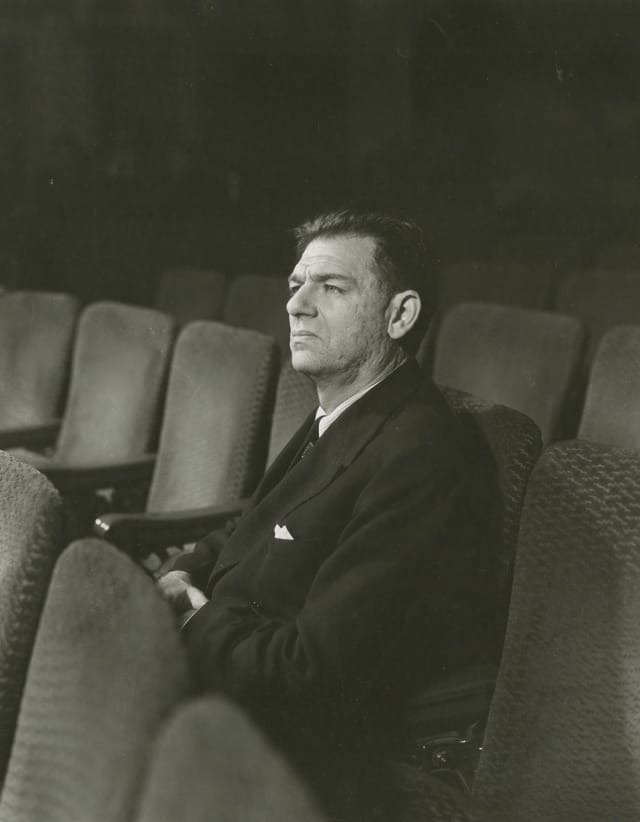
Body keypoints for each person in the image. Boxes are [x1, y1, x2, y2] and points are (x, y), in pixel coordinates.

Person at [158, 210, 500, 820]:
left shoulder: (420, 451)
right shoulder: (342, 410)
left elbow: (311, 672)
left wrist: (192, 620)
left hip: (291, 748)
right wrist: (183, 571)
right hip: (228, 681)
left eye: (332, 287)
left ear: (400, 315)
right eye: (296, 285)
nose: (297, 306)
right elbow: (255, 525)